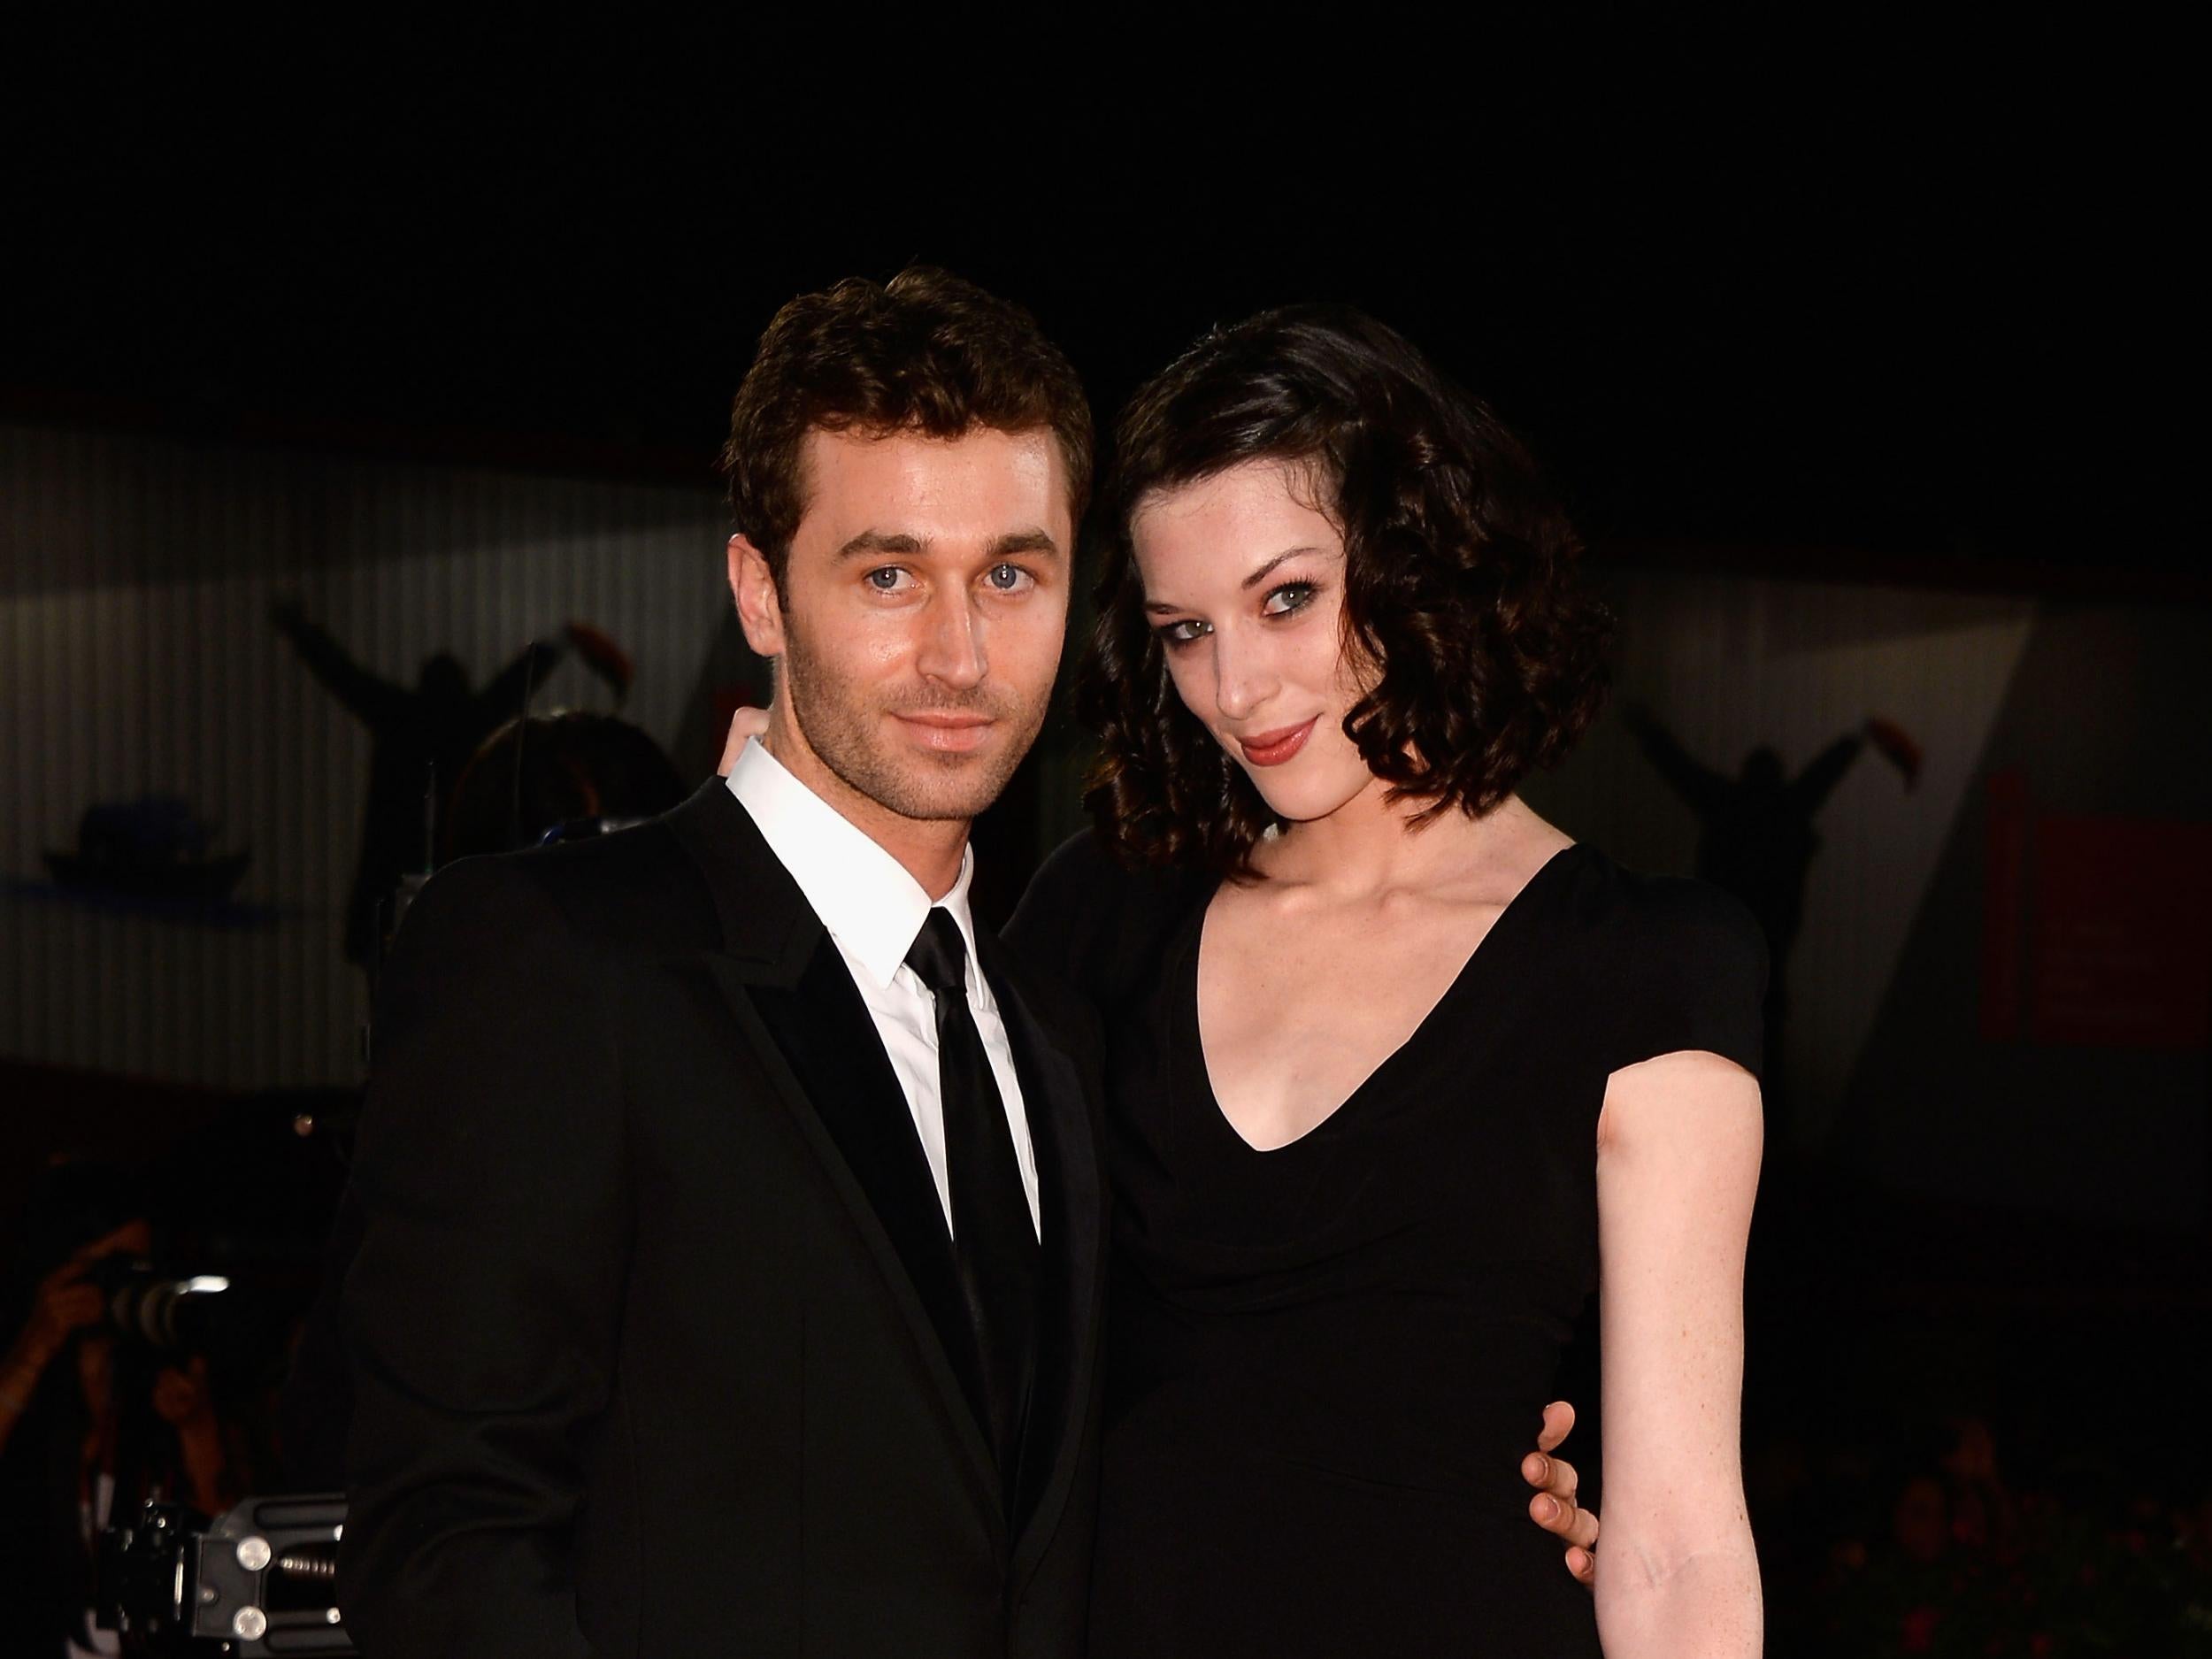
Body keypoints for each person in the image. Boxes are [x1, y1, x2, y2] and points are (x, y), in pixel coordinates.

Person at [1004, 305, 1767, 1655]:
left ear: (1420, 559)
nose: (1239, 688)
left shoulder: (1646, 966)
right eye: (1186, 631)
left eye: (1287, 596)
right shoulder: (1096, 913)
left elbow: (1680, 1536)